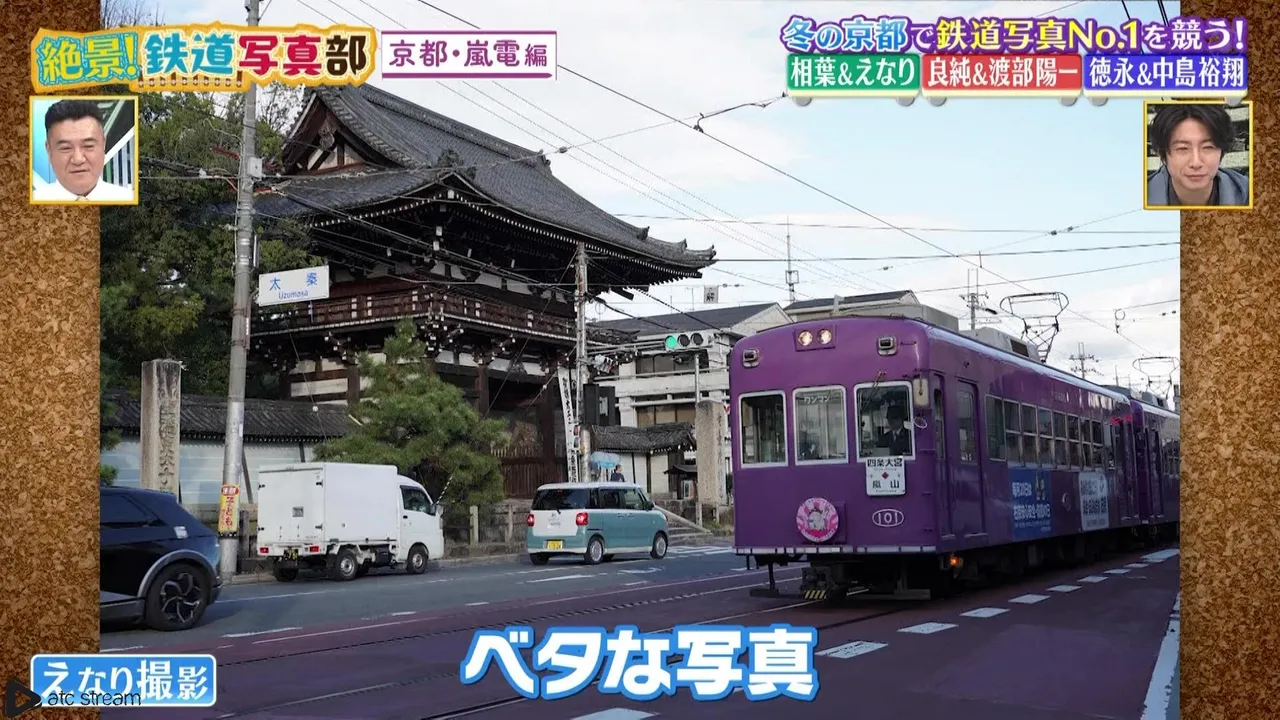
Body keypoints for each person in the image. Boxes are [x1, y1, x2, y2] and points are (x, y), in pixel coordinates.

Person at [1146, 103, 1249, 207]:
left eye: (1208, 147)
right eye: (1183, 148)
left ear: (1222, 150)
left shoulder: (1248, 194)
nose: (1196, 163)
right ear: (1162, 154)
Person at [32, 99, 135, 203]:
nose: (78, 159)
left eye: (88, 146)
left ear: (103, 144)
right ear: (49, 150)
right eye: (66, 148)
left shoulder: (128, 199)